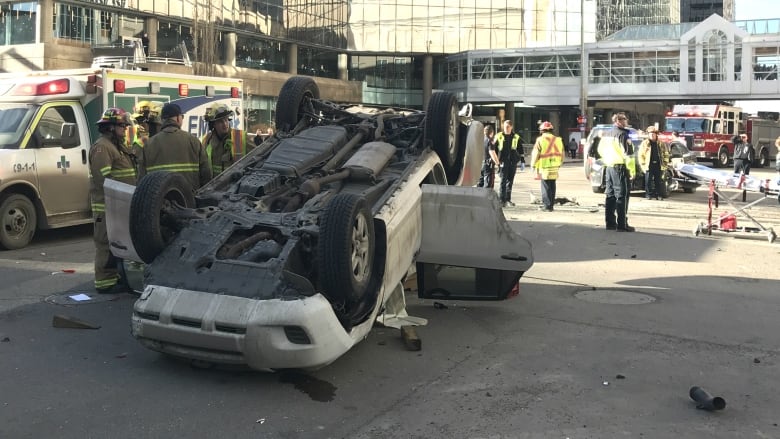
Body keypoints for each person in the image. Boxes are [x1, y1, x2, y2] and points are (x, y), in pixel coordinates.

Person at [88, 108, 137, 294]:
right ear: (110, 127)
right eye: (122, 126)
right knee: (105, 243)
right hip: (106, 205)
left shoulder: (117, 146)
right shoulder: (103, 147)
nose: (125, 129)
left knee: (117, 243)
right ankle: (104, 282)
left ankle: (115, 277)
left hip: (118, 204)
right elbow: (103, 179)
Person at [140, 103, 212, 191]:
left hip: (159, 201)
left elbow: (142, 180)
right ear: (178, 118)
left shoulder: (149, 145)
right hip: (189, 199)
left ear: (162, 120)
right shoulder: (193, 141)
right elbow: (206, 175)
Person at [598, 112, 636, 232]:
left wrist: (608, 160)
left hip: (609, 167)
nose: (626, 121)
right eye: (624, 119)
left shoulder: (607, 134)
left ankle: (610, 223)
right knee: (622, 196)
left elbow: (600, 150)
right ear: (618, 121)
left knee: (610, 195)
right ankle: (622, 224)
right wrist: (631, 171)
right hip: (620, 168)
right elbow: (628, 155)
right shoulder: (623, 134)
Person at [531, 121, 564, 211]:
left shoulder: (540, 140)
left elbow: (536, 153)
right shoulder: (558, 139)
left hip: (545, 166)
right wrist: (560, 163)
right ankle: (551, 205)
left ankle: (547, 206)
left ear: (542, 131)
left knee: (545, 187)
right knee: (552, 186)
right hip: (555, 166)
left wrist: (533, 165)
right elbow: (562, 153)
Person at [202, 103, 238, 175]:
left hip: (235, 184)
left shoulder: (239, 137)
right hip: (214, 185)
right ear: (213, 124)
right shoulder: (206, 140)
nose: (225, 124)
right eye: (220, 121)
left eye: (226, 120)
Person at [494, 119, 523, 207]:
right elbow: (494, 149)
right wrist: (495, 162)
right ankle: (501, 200)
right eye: (505, 126)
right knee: (503, 181)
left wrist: (522, 161)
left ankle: (508, 199)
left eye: (508, 127)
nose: (506, 128)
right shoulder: (499, 136)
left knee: (510, 181)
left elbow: (520, 149)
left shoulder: (516, 137)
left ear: (511, 127)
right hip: (502, 161)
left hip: (512, 162)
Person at [638, 126, 670, 200]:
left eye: (653, 134)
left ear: (656, 135)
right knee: (648, 181)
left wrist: (665, 164)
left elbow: (666, 154)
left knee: (658, 181)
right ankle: (648, 195)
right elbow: (641, 155)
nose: (652, 135)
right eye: (650, 134)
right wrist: (643, 165)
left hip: (658, 165)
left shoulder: (661, 144)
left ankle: (658, 195)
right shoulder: (645, 143)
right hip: (649, 165)